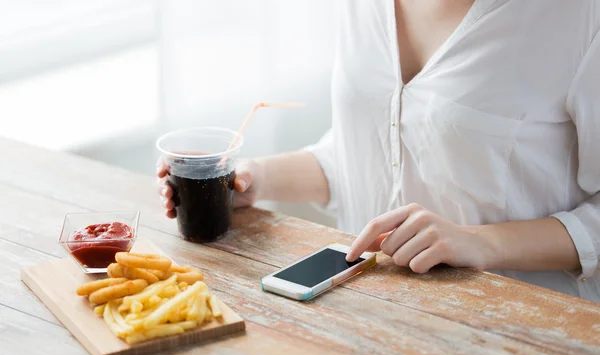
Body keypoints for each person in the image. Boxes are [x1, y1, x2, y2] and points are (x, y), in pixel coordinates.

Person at [158, 0, 600, 302]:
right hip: (371, 312)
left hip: (526, 335)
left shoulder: (577, 17)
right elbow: (369, 150)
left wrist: (480, 242)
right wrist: (256, 180)